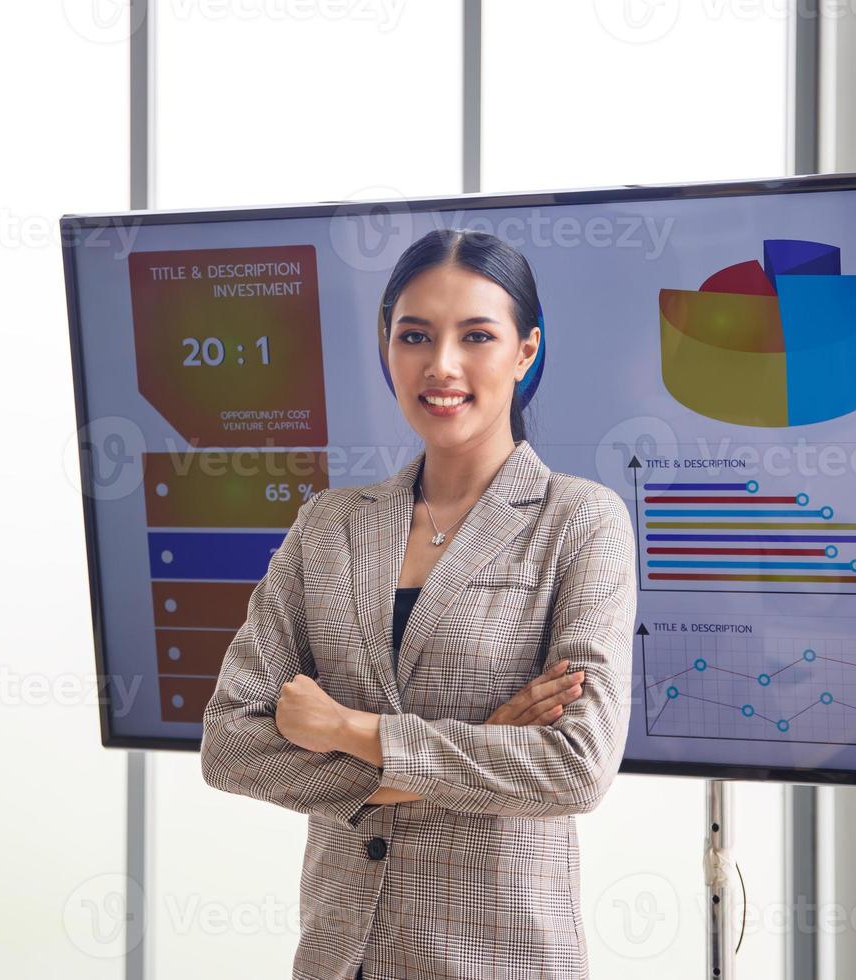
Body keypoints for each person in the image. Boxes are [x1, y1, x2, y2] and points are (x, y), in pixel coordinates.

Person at [200, 228, 638, 979]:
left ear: (524, 352)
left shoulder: (578, 521)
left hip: (498, 958)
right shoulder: (329, 525)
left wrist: (348, 729)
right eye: (415, 336)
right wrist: (481, 748)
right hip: (341, 957)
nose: (442, 366)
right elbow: (230, 746)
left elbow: (573, 767)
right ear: (386, 347)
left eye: (476, 336)